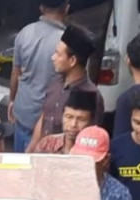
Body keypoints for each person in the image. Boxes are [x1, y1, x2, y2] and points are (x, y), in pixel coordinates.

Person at [28, 25, 102, 153]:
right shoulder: (55, 83)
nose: (53, 58)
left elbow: (92, 139)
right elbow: (44, 116)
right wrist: (31, 149)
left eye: (58, 54)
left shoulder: (92, 95)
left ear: (72, 60)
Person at [9, 0, 66, 154]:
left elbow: (16, 73)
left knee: (17, 165)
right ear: (66, 8)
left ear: (41, 8)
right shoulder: (65, 42)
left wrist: (12, 100)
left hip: (22, 111)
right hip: (44, 122)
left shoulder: (24, 32)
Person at [71, 126, 132, 200]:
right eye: (79, 159)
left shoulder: (120, 194)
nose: (82, 166)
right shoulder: (60, 186)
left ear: (105, 160)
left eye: (89, 161)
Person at [29, 88, 94, 155]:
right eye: (69, 117)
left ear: (91, 122)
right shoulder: (47, 144)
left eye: (81, 119)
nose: (73, 124)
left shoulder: (94, 151)